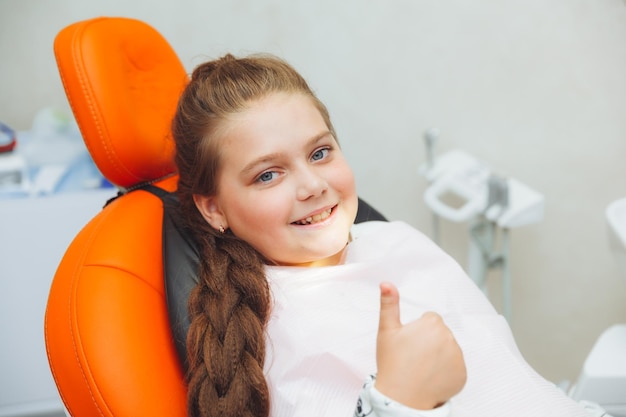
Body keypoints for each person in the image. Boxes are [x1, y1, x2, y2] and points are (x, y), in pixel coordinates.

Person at [170, 53, 605, 417]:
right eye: (268, 175)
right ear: (214, 208)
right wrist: (396, 402)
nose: (312, 185)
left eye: (320, 152)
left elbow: (517, 383)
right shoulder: (265, 333)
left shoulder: (393, 239)